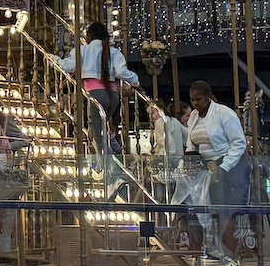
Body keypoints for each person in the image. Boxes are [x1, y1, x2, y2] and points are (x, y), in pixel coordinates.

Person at [185, 80, 248, 266]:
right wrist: (189, 160)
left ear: (208, 96)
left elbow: (239, 143)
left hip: (229, 166)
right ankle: (199, 252)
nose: (195, 103)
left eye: (198, 99)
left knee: (224, 212)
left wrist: (224, 167)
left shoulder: (224, 113)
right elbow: (190, 143)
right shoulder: (194, 117)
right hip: (205, 167)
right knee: (188, 205)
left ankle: (231, 258)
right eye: (192, 100)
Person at [52, 22, 139, 155]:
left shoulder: (83, 50)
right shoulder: (114, 52)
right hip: (113, 96)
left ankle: (107, 167)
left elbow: (68, 66)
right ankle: (108, 162)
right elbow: (121, 71)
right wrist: (135, 81)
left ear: (90, 36)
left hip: (96, 94)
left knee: (97, 136)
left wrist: (53, 59)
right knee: (103, 131)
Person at [150, 97, 187, 170]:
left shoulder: (160, 121)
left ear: (160, 110)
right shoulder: (174, 120)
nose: (151, 117)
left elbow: (168, 144)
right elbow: (187, 136)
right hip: (179, 161)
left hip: (168, 163)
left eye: (152, 113)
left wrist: (158, 159)